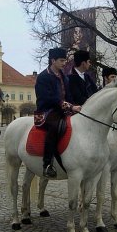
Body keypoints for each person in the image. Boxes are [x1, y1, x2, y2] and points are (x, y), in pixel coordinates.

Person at [35, 47, 81, 178]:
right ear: (53, 60)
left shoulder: (64, 77)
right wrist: (70, 106)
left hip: (62, 110)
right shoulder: (43, 77)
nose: (64, 62)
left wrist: (75, 106)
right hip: (46, 111)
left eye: (65, 60)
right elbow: (48, 98)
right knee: (55, 126)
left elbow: (69, 96)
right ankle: (47, 164)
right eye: (61, 60)